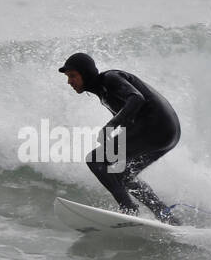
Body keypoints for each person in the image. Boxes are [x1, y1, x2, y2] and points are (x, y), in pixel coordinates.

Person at [58, 52, 181, 224]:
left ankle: (128, 209)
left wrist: (110, 127)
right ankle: (165, 216)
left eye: (72, 76)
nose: (69, 82)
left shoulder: (111, 78)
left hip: (156, 127)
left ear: (85, 73)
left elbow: (137, 99)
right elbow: (130, 118)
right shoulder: (103, 93)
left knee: (95, 159)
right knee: (124, 175)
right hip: (168, 133)